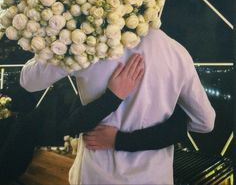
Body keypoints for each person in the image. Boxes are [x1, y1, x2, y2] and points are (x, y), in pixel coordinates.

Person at [20, 29, 215, 185]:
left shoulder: (87, 45)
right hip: (155, 177)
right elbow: (205, 122)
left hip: (98, 175)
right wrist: (173, 122)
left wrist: (65, 36)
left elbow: (28, 81)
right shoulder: (177, 52)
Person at [1, 53, 187, 184]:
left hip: (141, 176)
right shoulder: (92, 59)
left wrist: (118, 138)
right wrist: (112, 98)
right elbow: (69, 125)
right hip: (103, 174)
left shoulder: (163, 61)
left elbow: (180, 127)